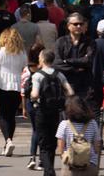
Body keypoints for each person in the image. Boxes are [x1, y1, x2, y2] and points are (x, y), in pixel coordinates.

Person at [31, 48, 73, 176]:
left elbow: (35, 94)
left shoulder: (37, 75)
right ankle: (48, 171)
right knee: (52, 143)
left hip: (42, 112)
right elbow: (70, 92)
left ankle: (49, 172)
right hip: (56, 113)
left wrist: (32, 97)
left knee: (43, 145)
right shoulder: (59, 75)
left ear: (43, 59)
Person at [0, 26, 27, 157]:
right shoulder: (22, 52)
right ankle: (8, 141)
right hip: (17, 85)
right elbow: (25, 67)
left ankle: (8, 140)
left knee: (3, 115)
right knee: (11, 116)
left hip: (2, 84)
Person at [53, 12, 95, 103]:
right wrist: (75, 69)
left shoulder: (89, 42)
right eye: (75, 24)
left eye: (81, 24)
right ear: (68, 26)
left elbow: (88, 60)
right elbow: (56, 63)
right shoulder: (61, 42)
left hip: (84, 85)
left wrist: (67, 61)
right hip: (65, 84)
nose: (79, 26)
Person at [56, 95, 101, 176]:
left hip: (70, 167)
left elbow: (60, 150)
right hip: (90, 165)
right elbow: (96, 147)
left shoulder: (64, 125)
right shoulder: (93, 123)